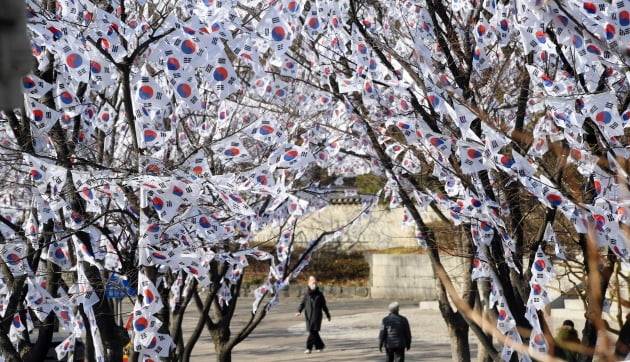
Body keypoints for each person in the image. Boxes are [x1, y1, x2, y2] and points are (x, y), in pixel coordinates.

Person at [296, 275, 331, 354]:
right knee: (314, 332)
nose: (313, 283)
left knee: (313, 332)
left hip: (317, 316)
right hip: (308, 316)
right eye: (312, 281)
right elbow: (302, 304)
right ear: (308, 283)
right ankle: (320, 346)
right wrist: (299, 311)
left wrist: (328, 315)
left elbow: (324, 306)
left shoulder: (319, 294)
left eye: (314, 282)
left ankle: (309, 348)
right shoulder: (306, 294)